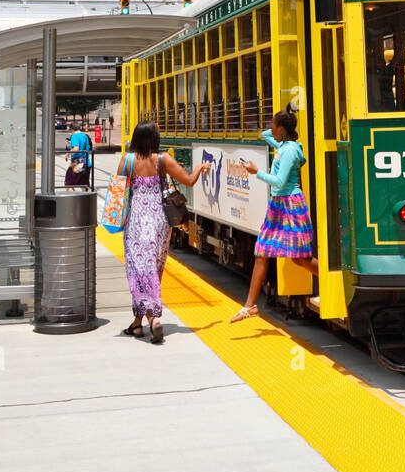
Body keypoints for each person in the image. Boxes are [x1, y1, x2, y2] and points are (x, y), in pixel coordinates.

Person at [119, 121, 210, 344]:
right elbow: (188, 180)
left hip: (137, 219)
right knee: (153, 265)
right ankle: (138, 323)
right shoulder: (163, 160)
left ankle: (152, 319)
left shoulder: (127, 161)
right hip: (160, 220)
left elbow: (116, 193)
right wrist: (199, 168)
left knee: (139, 266)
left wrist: (115, 221)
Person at [230, 109, 319, 323]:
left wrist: (256, 172)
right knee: (262, 252)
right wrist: (276, 130)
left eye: (274, 125)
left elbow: (279, 181)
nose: (270, 129)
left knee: (300, 258)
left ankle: (330, 281)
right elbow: (265, 136)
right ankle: (249, 306)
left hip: (290, 205)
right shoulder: (284, 147)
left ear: (281, 129)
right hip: (279, 206)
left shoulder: (288, 151)